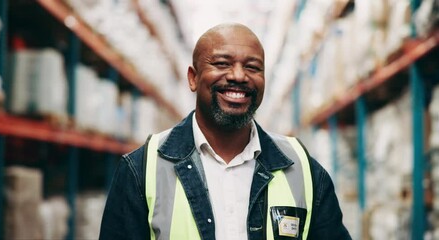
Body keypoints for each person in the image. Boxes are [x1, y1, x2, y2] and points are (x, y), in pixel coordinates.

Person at [99, 23, 351, 240]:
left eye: (253, 67)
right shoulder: (142, 168)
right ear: (193, 78)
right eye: (221, 63)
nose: (239, 76)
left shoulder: (302, 168)